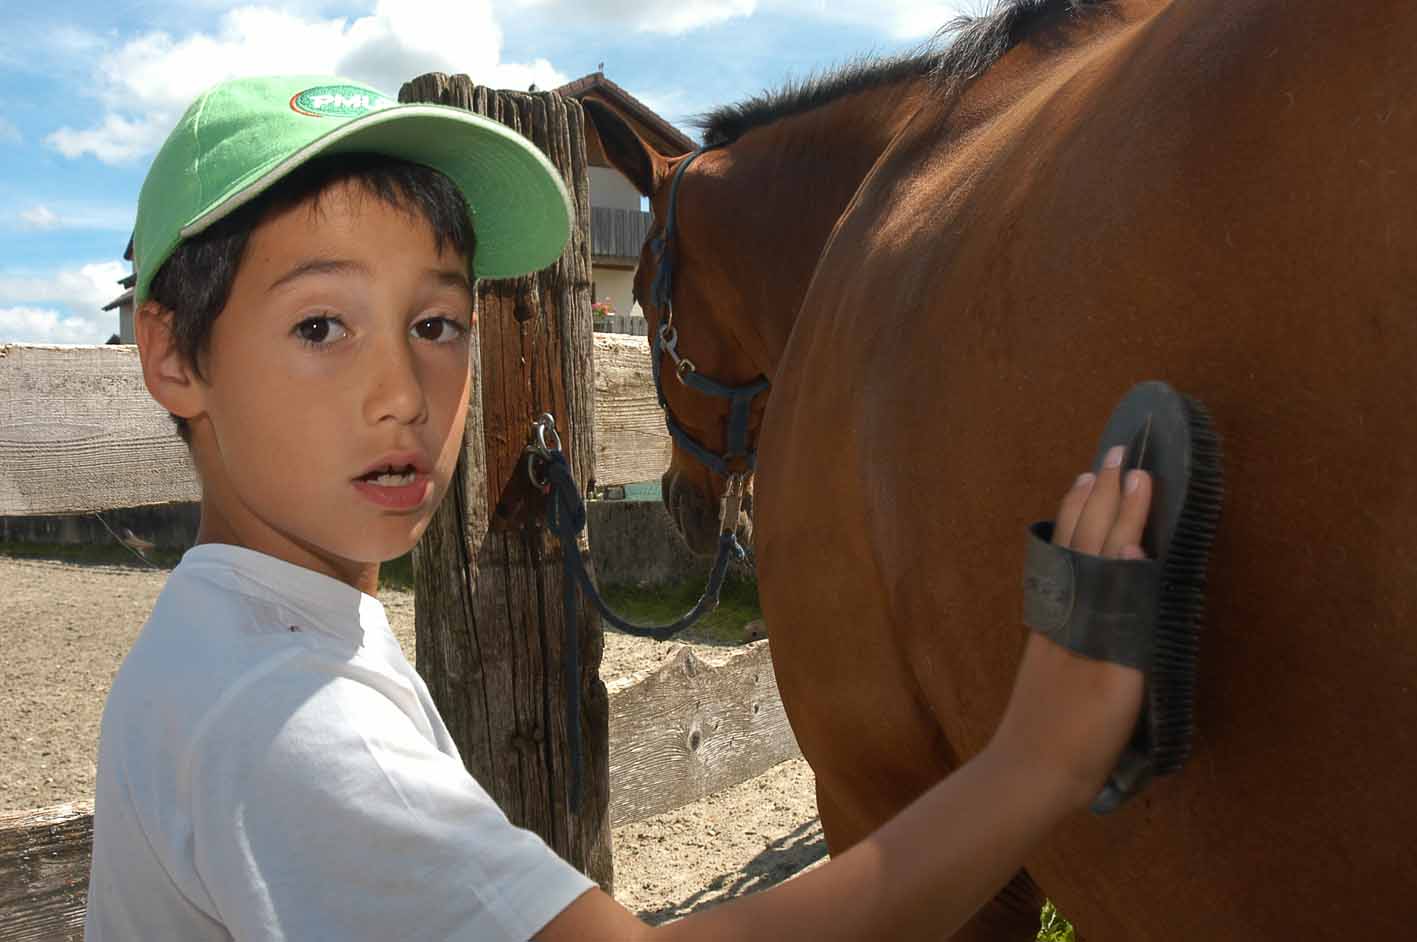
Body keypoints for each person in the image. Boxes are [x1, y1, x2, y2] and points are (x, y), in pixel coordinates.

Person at [87, 74, 1154, 941]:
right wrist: (1038, 762)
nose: (402, 394)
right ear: (172, 354)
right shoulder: (289, 721)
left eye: (437, 324)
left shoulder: (234, 636)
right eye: (321, 326)